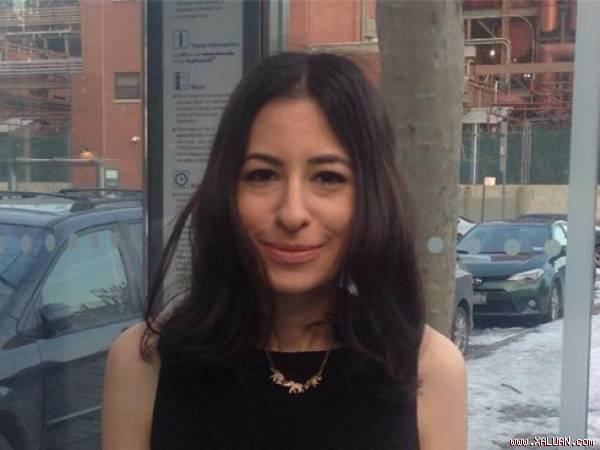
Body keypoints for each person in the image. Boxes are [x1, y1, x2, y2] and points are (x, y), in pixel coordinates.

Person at [102, 52, 467, 450]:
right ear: (226, 189)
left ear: (372, 196)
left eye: (328, 177)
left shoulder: (428, 368)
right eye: (262, 175)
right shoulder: (144, 362)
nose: (292, 213)